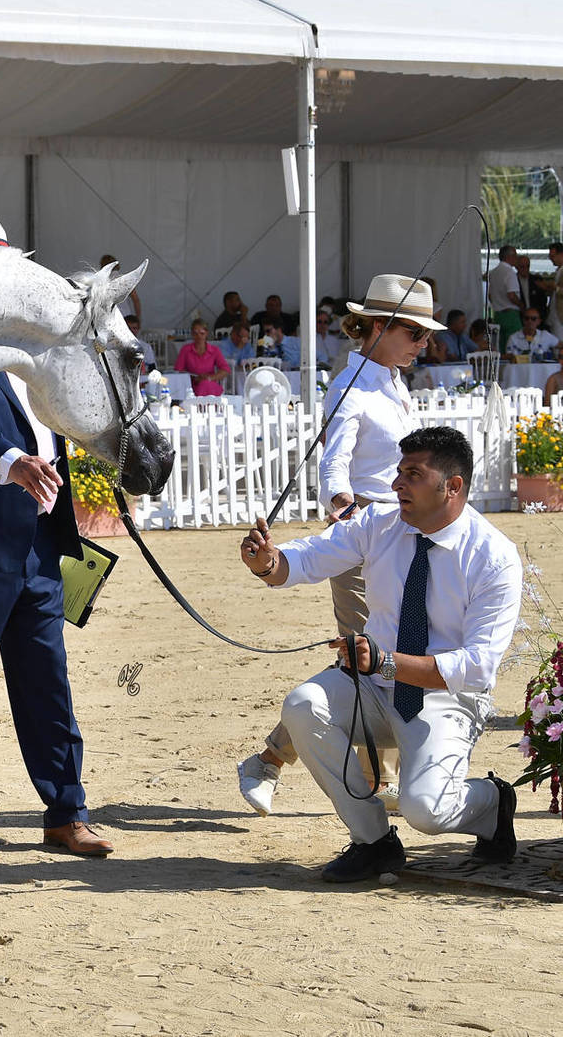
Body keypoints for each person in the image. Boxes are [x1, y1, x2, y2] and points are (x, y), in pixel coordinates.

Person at [238, 426, 520, 882]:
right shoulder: (378, 523)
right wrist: (267, 562)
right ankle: (373, 842)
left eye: (413, 474)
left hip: (447, 698)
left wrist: (388, 661)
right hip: (373, 685)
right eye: (397, 472)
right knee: (304, 705)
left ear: (453, 486)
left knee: (427, 811)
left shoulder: (494, 556)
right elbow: (307, 558)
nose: (395, 485)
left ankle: (492, 803)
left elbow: (477, 666)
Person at [0, 210, 113, 862]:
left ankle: (66, 810)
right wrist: (12, 462)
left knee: (47, 681)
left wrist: (89, 489)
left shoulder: (35, 342)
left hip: (41, 537)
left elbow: (62, 421)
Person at [237, 274, 440, 816]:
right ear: (378, 327)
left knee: (391, 653)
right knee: (362, 660)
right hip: (364, 533)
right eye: (413, 332)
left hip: (405, 533)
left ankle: (366, 774)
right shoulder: (351, 385)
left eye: (424, 335)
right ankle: (270, 761)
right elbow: (334, 456)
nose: (423, 344)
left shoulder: (394, 381)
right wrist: (341, 498)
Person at [175, 318, 231, 396]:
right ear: (192, 334)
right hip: (190, 387)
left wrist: (211, 378)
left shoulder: (214, 350)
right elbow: (178, 371)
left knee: (205, 384)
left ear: (206, 333)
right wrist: (194, 378)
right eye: (195, 333)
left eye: (202, 333)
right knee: (204, 385)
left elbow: (225, 369)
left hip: (210, 384)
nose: (199, 337)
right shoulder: (186, 350)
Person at [486, 245, 523, 348]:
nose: (517, 258)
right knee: (514, 345)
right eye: (515, 255)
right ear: (509, 257)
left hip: (498, 314)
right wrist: (521, 306)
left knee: (500, 346)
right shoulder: (510, 272)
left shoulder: (493, 273)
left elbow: (490, 295)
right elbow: (511, 295)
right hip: (511, 314)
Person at [98, 255, 141, 322]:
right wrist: (138, 318)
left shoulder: (100, 281)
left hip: (107, 318)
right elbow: (136, 300)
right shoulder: (125, 279)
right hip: (126, 317)